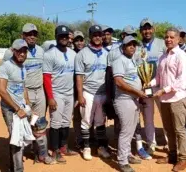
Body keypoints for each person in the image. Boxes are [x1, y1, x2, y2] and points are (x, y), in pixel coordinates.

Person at [1, 23, 55, 165]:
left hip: (39, 92)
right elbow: (7, 75)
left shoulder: (40, 51)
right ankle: (16, 162)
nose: (32, 36)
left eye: (34, 34)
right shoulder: (10, 53)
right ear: (22, 35)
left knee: (39, 123)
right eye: (28, 34)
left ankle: (41, 154)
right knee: (18, 128)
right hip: (23, 93)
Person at [151, 27, 186, 171]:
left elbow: (180, 81)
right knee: (168, 129)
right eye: (166, 37)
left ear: (179, 39)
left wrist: (163, 90)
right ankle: (172, 155)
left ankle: (182, 159)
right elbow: (158, 78)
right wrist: (148, 84)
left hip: (177, 98)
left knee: (179, 130)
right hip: (165, 100)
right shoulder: (162, 57)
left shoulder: (183, 56)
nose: (168, 39)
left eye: (172, 37)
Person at [43, 25, 78, 163]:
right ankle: (55, 150)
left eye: (66, 36)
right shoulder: (50, 54)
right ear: (56, 37)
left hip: (69, 93)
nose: (64, 38)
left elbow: (76, 76)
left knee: (65, 122)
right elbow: (46, 77)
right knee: (56, 123)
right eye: (61, 36)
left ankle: (64, 147)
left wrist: (76, 94)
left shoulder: (73, 54)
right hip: (56, 94)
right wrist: (50, 98)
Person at [75, 25, 111, 160]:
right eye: (94, 35)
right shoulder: (82, 54)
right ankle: (86, 147)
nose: (97, 37)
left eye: (99, 34)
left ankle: (101, 148)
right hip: (88, 93)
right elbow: (79, 76)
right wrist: (80, 95)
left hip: (102, 93)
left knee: (101, 121)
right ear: (90, 36)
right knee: (86, 121)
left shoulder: (107, 53)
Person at [112, 36, 146, 172]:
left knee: (131, 130)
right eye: (129, 45)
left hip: (134, 99)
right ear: (123, 47)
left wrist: (139, 92)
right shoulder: (119, 61)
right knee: (126, 130)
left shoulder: (132, 60)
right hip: (124, 99)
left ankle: (127, 154)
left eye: (134, 44)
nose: (132, 47)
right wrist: (136, 91)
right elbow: (119, 82)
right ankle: (122, 161)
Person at [0, 39, 31, 172]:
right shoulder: (5, 66)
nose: (22, 53)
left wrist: (27, 104)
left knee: (19, 137)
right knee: (17, 140)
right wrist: (17, 109)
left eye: (24, 51)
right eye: (19, 51)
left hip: (21, 108)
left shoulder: (23, 66)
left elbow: (23, 87)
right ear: (13, 51)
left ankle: (13, 167)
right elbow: (1, 90)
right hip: (10, 109)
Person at [139, 18, 168, 154]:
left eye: (149, 28)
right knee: (148, 117)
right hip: (145, 87)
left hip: (161, 86)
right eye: (144, 29)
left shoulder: (162, 44)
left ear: (153, 29)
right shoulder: (137, 46)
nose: (147, 31)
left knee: (166, 115)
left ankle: (170, 142)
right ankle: (151, 144)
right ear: (140, 31)